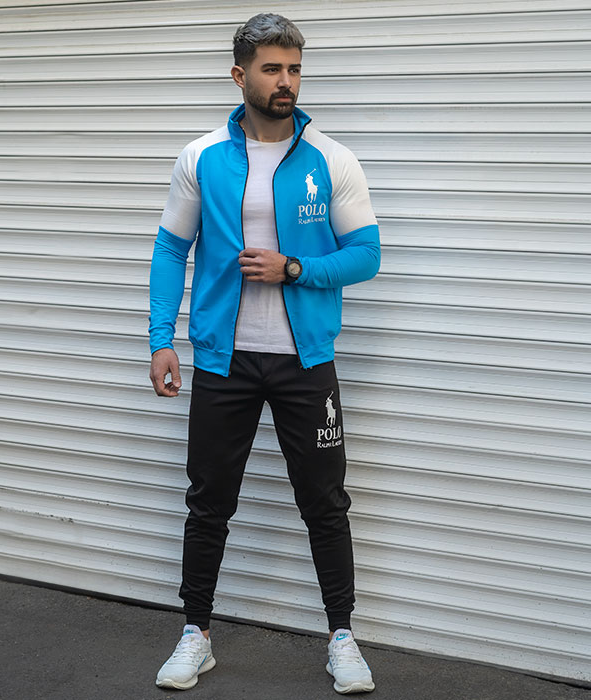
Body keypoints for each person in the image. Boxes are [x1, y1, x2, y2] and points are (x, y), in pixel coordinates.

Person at [148, 12, 380, 695]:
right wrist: (162, 338)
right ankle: (196, 634)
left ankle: (342, 638)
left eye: (295, 69)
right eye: (272, 68)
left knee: (325, 502)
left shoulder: (331, 160)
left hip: (305, 361)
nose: (287, 81)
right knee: (208, 501)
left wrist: (295, 269)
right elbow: (171, 249)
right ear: (239, 75)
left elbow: (366, 255)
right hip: (225, 360)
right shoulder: (201, 158)